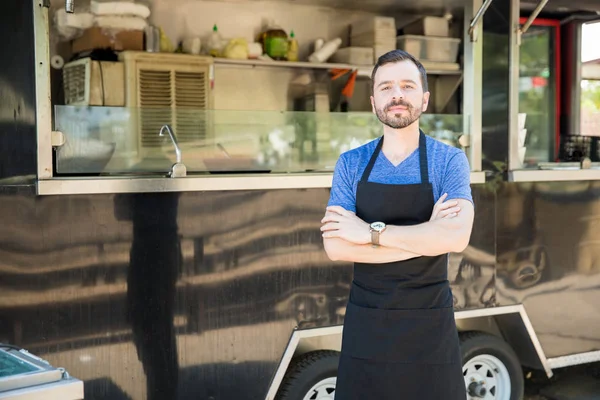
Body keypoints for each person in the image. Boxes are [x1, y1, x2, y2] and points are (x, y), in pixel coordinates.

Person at [320, 49, 474, 399]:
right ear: (374, 101)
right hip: (367, 323)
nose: (397, 95)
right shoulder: (351, 163)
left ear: (425, 97)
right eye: (386, 87)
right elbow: (336, 247)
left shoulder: (447, 160)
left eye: (407, 85)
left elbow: (458, 236)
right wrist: (427, 237)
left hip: (429, 324)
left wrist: (369, 233)